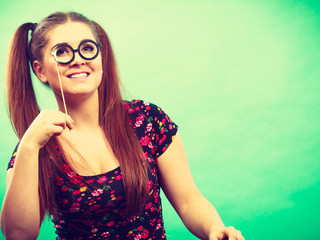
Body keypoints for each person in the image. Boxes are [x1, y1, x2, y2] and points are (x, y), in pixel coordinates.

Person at [0, 12, 244, 240]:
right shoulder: (35, 144)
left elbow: (189, 200)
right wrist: (30, 145)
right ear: (40, 71)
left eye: (87, 48)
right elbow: (18, 235)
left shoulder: (146, 120)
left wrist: (215, 229)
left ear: (101, 58)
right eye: (62, 52)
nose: (78, 60)